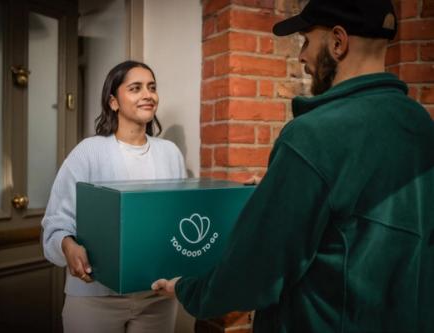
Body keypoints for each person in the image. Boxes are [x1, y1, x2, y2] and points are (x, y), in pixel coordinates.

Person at [152, 0, 434, 332]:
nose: (301, 56)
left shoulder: (313, 135)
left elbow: (256, 269)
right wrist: (284, 189)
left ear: (338, 42)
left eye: (306, 40)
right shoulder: (421, 125)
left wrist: (187, 289)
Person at [42, 60, 187, 333]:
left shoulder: (170, 153)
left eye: (152, 87)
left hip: (157, 294)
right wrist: (67, 245)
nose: (148, 94)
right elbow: (56, 221)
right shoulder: (88, 152)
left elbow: (178, 218)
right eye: (135, 88)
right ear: (113, 102)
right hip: (96, 297)